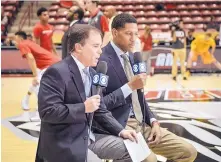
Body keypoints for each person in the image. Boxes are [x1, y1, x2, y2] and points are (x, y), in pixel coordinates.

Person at [100, 13, 197, 162]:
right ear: (114, 33)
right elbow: (99, 105)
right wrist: (129, 86)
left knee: (188, 152)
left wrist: (154, 121)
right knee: (149, 160)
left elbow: (140, 98)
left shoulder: (133, 57)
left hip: (144, 124)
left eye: (136, 34)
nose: (134, 38)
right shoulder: (100, 60)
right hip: (120, 125)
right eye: (128, 34)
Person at [36, 24, 137, 162]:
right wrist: (83, 108)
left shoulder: (93, 72)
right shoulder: (56, 72)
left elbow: (100, 110)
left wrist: (121, 131)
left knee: (133, 149)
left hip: (89, 138)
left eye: (100, 46)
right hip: (65, 144)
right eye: (96, 46)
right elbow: (48, 112)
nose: (100, 51)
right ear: (79, 47)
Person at [14, 31, 60, 121]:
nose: (15, 42)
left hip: (50, 65)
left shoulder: (22, 44)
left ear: (20, 39)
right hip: (52, 63)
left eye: (16, 40)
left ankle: (40, 113)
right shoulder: (29, 43)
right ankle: (25, 100)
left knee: (39, 86)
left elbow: (30, 58)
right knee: (35, 84)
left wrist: (35, 76)